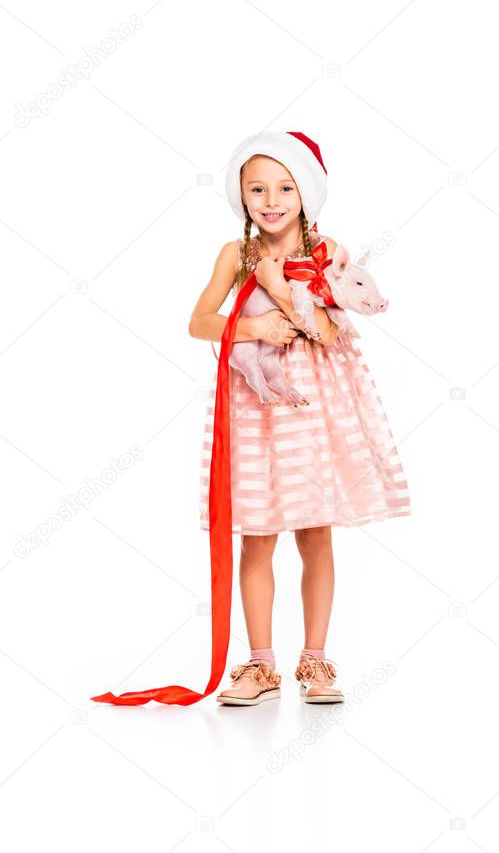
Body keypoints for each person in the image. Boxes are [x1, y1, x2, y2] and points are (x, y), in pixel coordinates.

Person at [190, 130, 411, 706]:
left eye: (285, 187)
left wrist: (280, 294)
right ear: (241, 195)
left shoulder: (326, 254)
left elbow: (329, 330)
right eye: (257, 187)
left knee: (315, 532)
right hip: (258, 409)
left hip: (312, 408)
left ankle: (314, 658)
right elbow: (199, 322)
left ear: (306, 193)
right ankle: (262, 665)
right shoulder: (234, 255)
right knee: (258, 535)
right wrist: (254, 326)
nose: (271, 199)